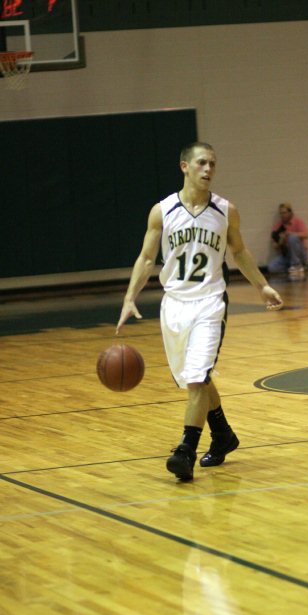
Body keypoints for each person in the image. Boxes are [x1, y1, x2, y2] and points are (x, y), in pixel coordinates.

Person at [116, 141, 283, 481]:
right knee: (197, 378)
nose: (208, 170)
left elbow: (239, 252)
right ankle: (223, 435)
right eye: (202, 163)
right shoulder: (162, 211)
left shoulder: (226, 210)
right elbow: (147, 258)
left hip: (209, 302)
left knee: (196, 378)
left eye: (213, 164)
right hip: (174, 305)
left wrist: (261, 285)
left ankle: (185, 451)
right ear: (184, 167)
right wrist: (129, 296)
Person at [268, 202, 308, 281]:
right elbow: (274, 245)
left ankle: (297, 265)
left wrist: (291, 234)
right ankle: (293, 268)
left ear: (290, 212)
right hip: (287, 254)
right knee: (272, 267)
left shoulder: (298, 222)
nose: (283, 215)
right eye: (281, 213)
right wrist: (281, 241)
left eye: (284, 213)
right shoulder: (278, 226)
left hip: (300, 253)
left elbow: (306, 235)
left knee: (292, 238)